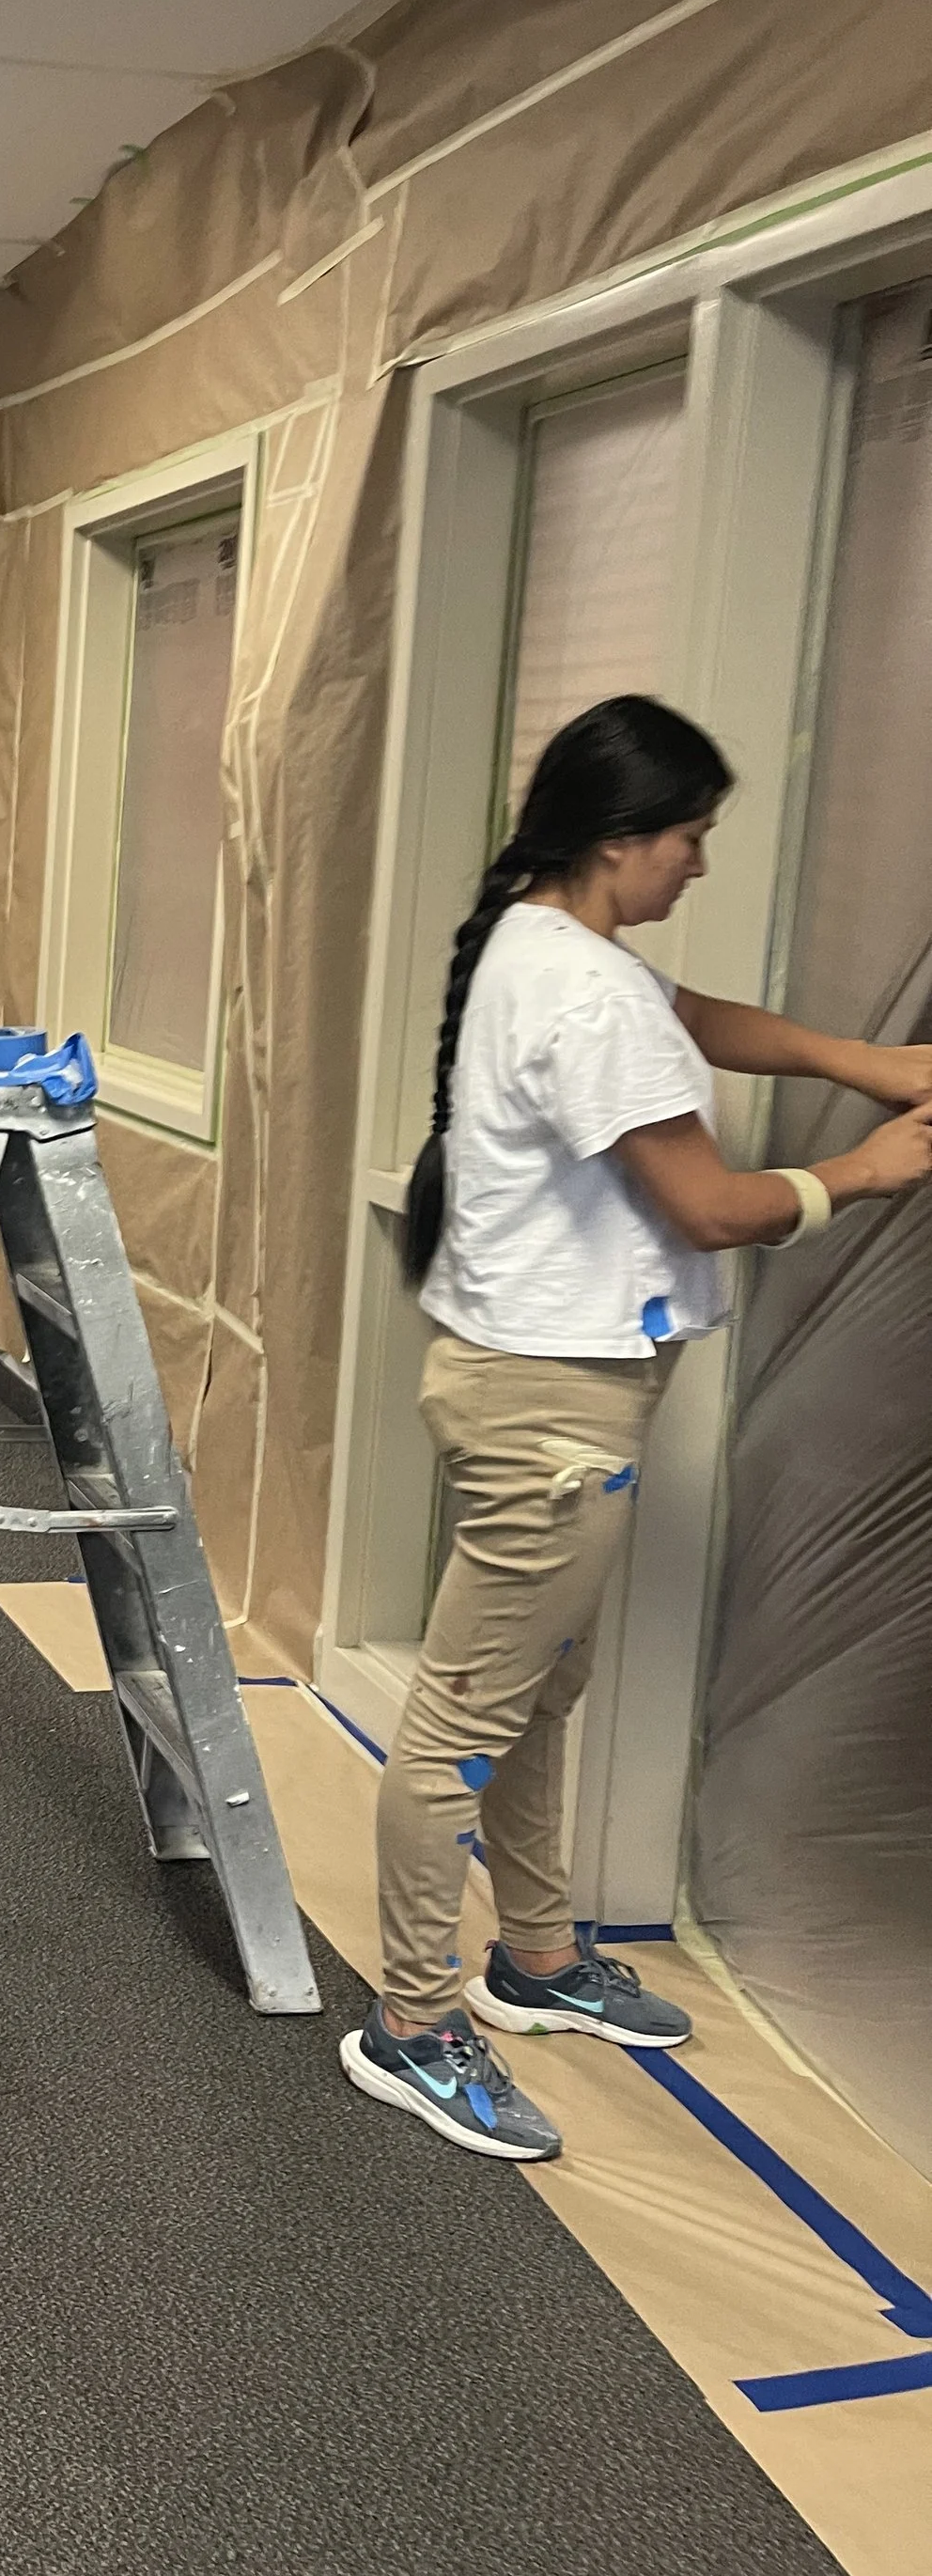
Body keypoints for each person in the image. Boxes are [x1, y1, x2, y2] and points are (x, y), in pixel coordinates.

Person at [342, 695, 932, 2162]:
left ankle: (535, 1962)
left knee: (541, 1686)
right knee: (462, 1729)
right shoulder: (582, 992)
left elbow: (693, 1019)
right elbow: (712, 1206)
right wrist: (866, 1167)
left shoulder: (550, 945)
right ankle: (410, 2025)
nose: (701, 865)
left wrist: (867, 1063)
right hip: (553, 1404)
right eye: (690, 838)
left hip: (545, 1382)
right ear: (620, 842)